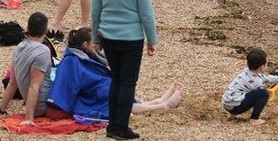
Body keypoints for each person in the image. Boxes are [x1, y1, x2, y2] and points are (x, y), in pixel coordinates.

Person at [91, 0, 158, 140]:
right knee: (128, 82)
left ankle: (112, 125)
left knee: (116, 80)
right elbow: (146, 14)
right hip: (131, 38)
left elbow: (96, 11)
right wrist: (152, 40)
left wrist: (96, 37)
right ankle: (120, 127)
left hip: (108, 36)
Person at [46, 27, 182, 121]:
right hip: (89, 97)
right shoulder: (71, 60)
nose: (97, 45)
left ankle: (157, 101)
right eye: (94, 42)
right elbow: (66, 85)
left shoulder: (83, 55)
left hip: (93, 92)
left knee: (115, 90)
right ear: (86, 44)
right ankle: (162, 106)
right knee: (114, 95)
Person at [0, 12, 54, 123]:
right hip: (46, 107)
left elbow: (12, 83)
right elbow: (34, 86)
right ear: (46, 31)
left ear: (28, 28)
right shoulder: (43, 51)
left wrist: (1, 110)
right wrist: (29, 119)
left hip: (35, 104)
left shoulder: (19, 47)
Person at [222, 48, 278, 126]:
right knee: (264, 94)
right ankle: (254, 119)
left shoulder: (247, 71)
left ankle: (232, 114)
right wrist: (266, 92)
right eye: (266, 64)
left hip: (227, 103)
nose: (267, 66)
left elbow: (265, 77)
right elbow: (261, 91)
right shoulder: (256, 81)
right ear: (261, 67)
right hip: (235, 107)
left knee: (246, 92)